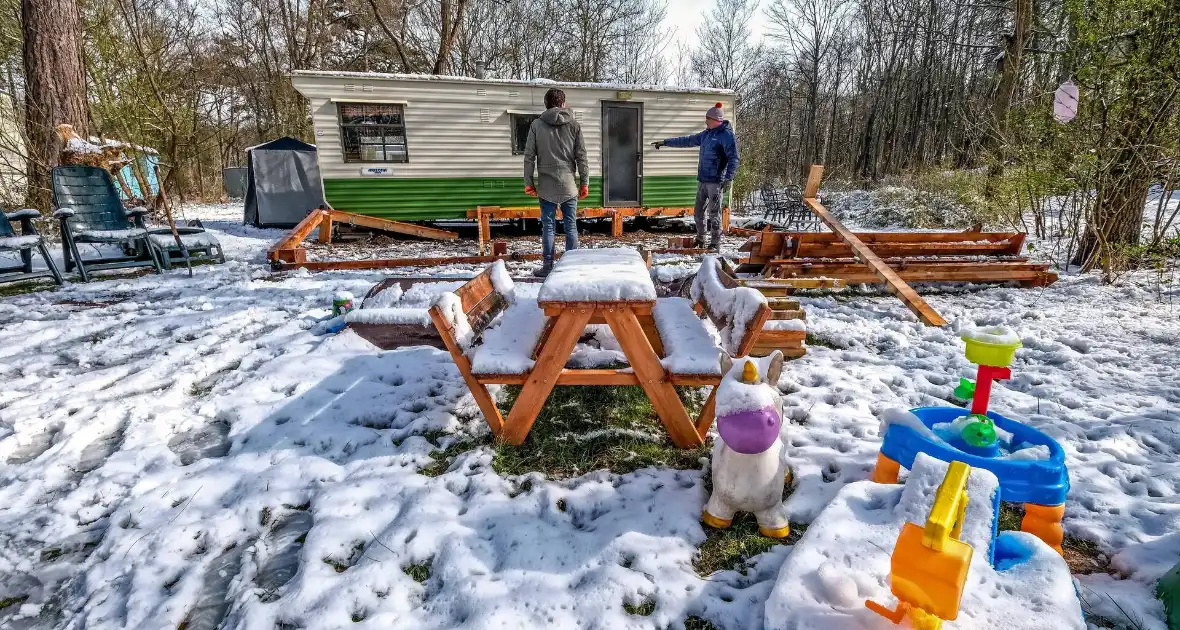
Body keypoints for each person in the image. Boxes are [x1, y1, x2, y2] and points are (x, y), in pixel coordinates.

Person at [652, 102, 739, 252]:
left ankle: (715, 243)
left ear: (716, 120)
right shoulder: (706, 134)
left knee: (714, 213)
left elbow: (734, 158)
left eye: (708, 119)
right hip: (703, 180)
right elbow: (687, 140)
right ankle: (700, 238)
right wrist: (666, 142)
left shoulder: (726, 136)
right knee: (698, 212)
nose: (705, 122)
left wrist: (729, 179)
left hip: (716, 182)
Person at [523, 87, 589, 277]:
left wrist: (529, 182)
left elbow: (529, 157)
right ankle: (571, 267)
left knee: (549, 225)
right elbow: (581, 157)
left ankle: (548, 266)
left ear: (546, 104)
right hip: (569, 182)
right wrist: (584, 182)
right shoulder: (574, 125)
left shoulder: (536, 125)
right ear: (562, 104)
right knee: (570, 225)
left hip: (546, 184)